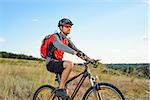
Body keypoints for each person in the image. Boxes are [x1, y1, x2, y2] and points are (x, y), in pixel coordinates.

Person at [46, 18, 93, 99]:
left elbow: (76, 50)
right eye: (67, 26)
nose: (69, 28)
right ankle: (60, 89)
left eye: (70, 27)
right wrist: (74, 52)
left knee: (66, 91)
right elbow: (60, 46)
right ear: (61, 28)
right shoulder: (54, 37)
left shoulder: (67, 40)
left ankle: (61, 90)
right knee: (69, 64)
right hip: (51, 63)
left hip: (59, 63)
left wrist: (89, 59)